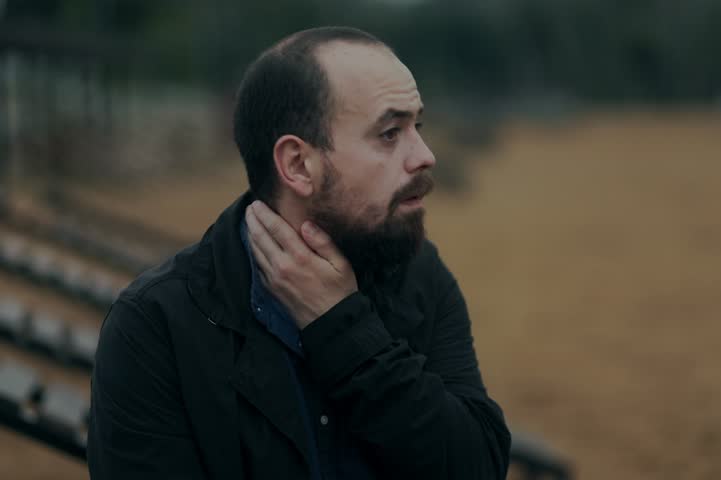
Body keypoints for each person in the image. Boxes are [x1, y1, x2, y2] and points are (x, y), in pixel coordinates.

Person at [87, 26, 511, 480]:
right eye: (390, 133)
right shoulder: (155, 326)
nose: (424, 155)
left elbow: (478, 465)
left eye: (417, 127)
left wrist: (344, 328)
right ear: (297, 165)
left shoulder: (421, 275)